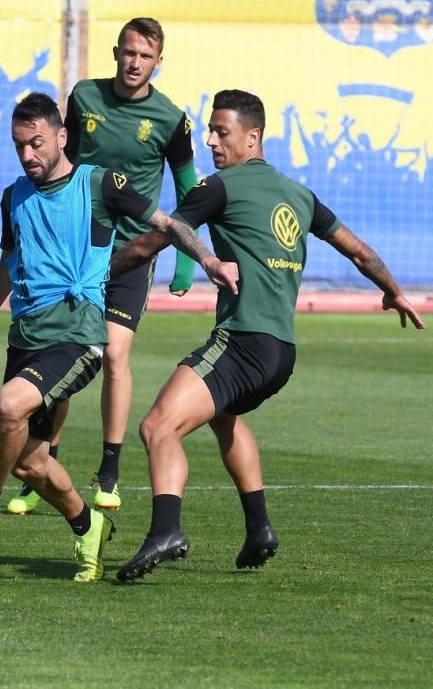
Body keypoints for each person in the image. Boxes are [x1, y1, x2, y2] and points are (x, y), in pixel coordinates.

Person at [110, 89, 426, 582]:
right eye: (210, 131)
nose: (211, 140)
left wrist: (101, 274)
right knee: (224, 417)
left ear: (252, 137)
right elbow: (360, 252)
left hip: (242, 341)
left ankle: (166, 531)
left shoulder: (218, 187)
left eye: (221, 132)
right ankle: (259, 529)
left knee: (157, 427)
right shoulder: (299, 194)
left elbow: (156, 239)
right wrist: (395, 291)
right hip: (282, 351)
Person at [0, 91, 236, 582]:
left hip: (79, 336)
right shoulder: (13, 196)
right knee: (30, 464)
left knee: (8, 405)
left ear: (62, 137)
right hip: (27, 336)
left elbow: (168, 222)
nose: (28, 155)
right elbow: (8, 262)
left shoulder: (98, 185)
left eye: (37, 143)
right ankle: (89, 526)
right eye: (19, 146)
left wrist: (206, 260)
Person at [7, 17, 198, 516]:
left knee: (113, 354)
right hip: (78, 254)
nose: (135, 62)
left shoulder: (170, 118)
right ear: (117, 52)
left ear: (159, 62)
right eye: (129, 52)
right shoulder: (85, 97)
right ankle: (44, 459)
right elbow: (62, 162)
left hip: (134, 254)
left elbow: (188, 188)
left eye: (145, 56)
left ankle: (109, 471)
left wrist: (182, 260)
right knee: (60, 351)